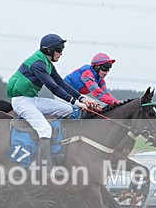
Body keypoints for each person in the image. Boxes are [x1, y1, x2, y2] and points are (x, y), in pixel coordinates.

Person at [7, 34, 100, 170]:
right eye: (59, 49)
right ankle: (46, 168)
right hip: (21, 102)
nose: (61, 53)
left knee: (67, 110)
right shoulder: (38, 64)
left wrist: (82, 98)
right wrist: (76, 102)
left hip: (32, 100)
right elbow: (53, 87)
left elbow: (60, 82)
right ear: (49, 50)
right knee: (45, 129)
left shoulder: (47, 63)